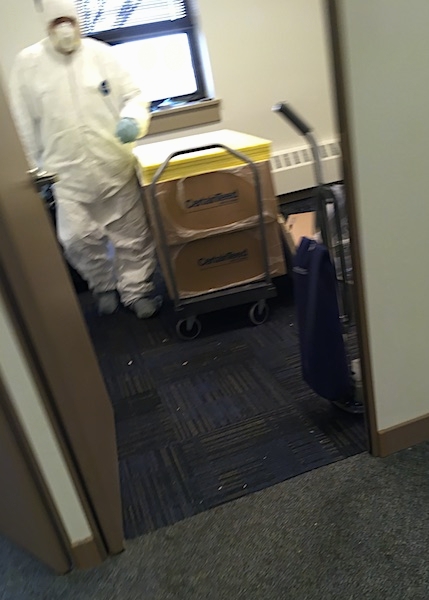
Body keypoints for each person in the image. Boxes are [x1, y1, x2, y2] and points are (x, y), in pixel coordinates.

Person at [10, 0, 162, 319]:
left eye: (69, 21)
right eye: (57, 23)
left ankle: (137, 291)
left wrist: (132, 120)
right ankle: (103, 285)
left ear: (78, 21)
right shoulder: (28, 64)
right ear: (47, 26)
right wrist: (33, 170)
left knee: (132, 235)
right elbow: (22, 121)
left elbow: (134, 96)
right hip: (65, 174)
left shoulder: (101, 54)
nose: (65, 29)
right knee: (77, 239)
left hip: (113, 164)